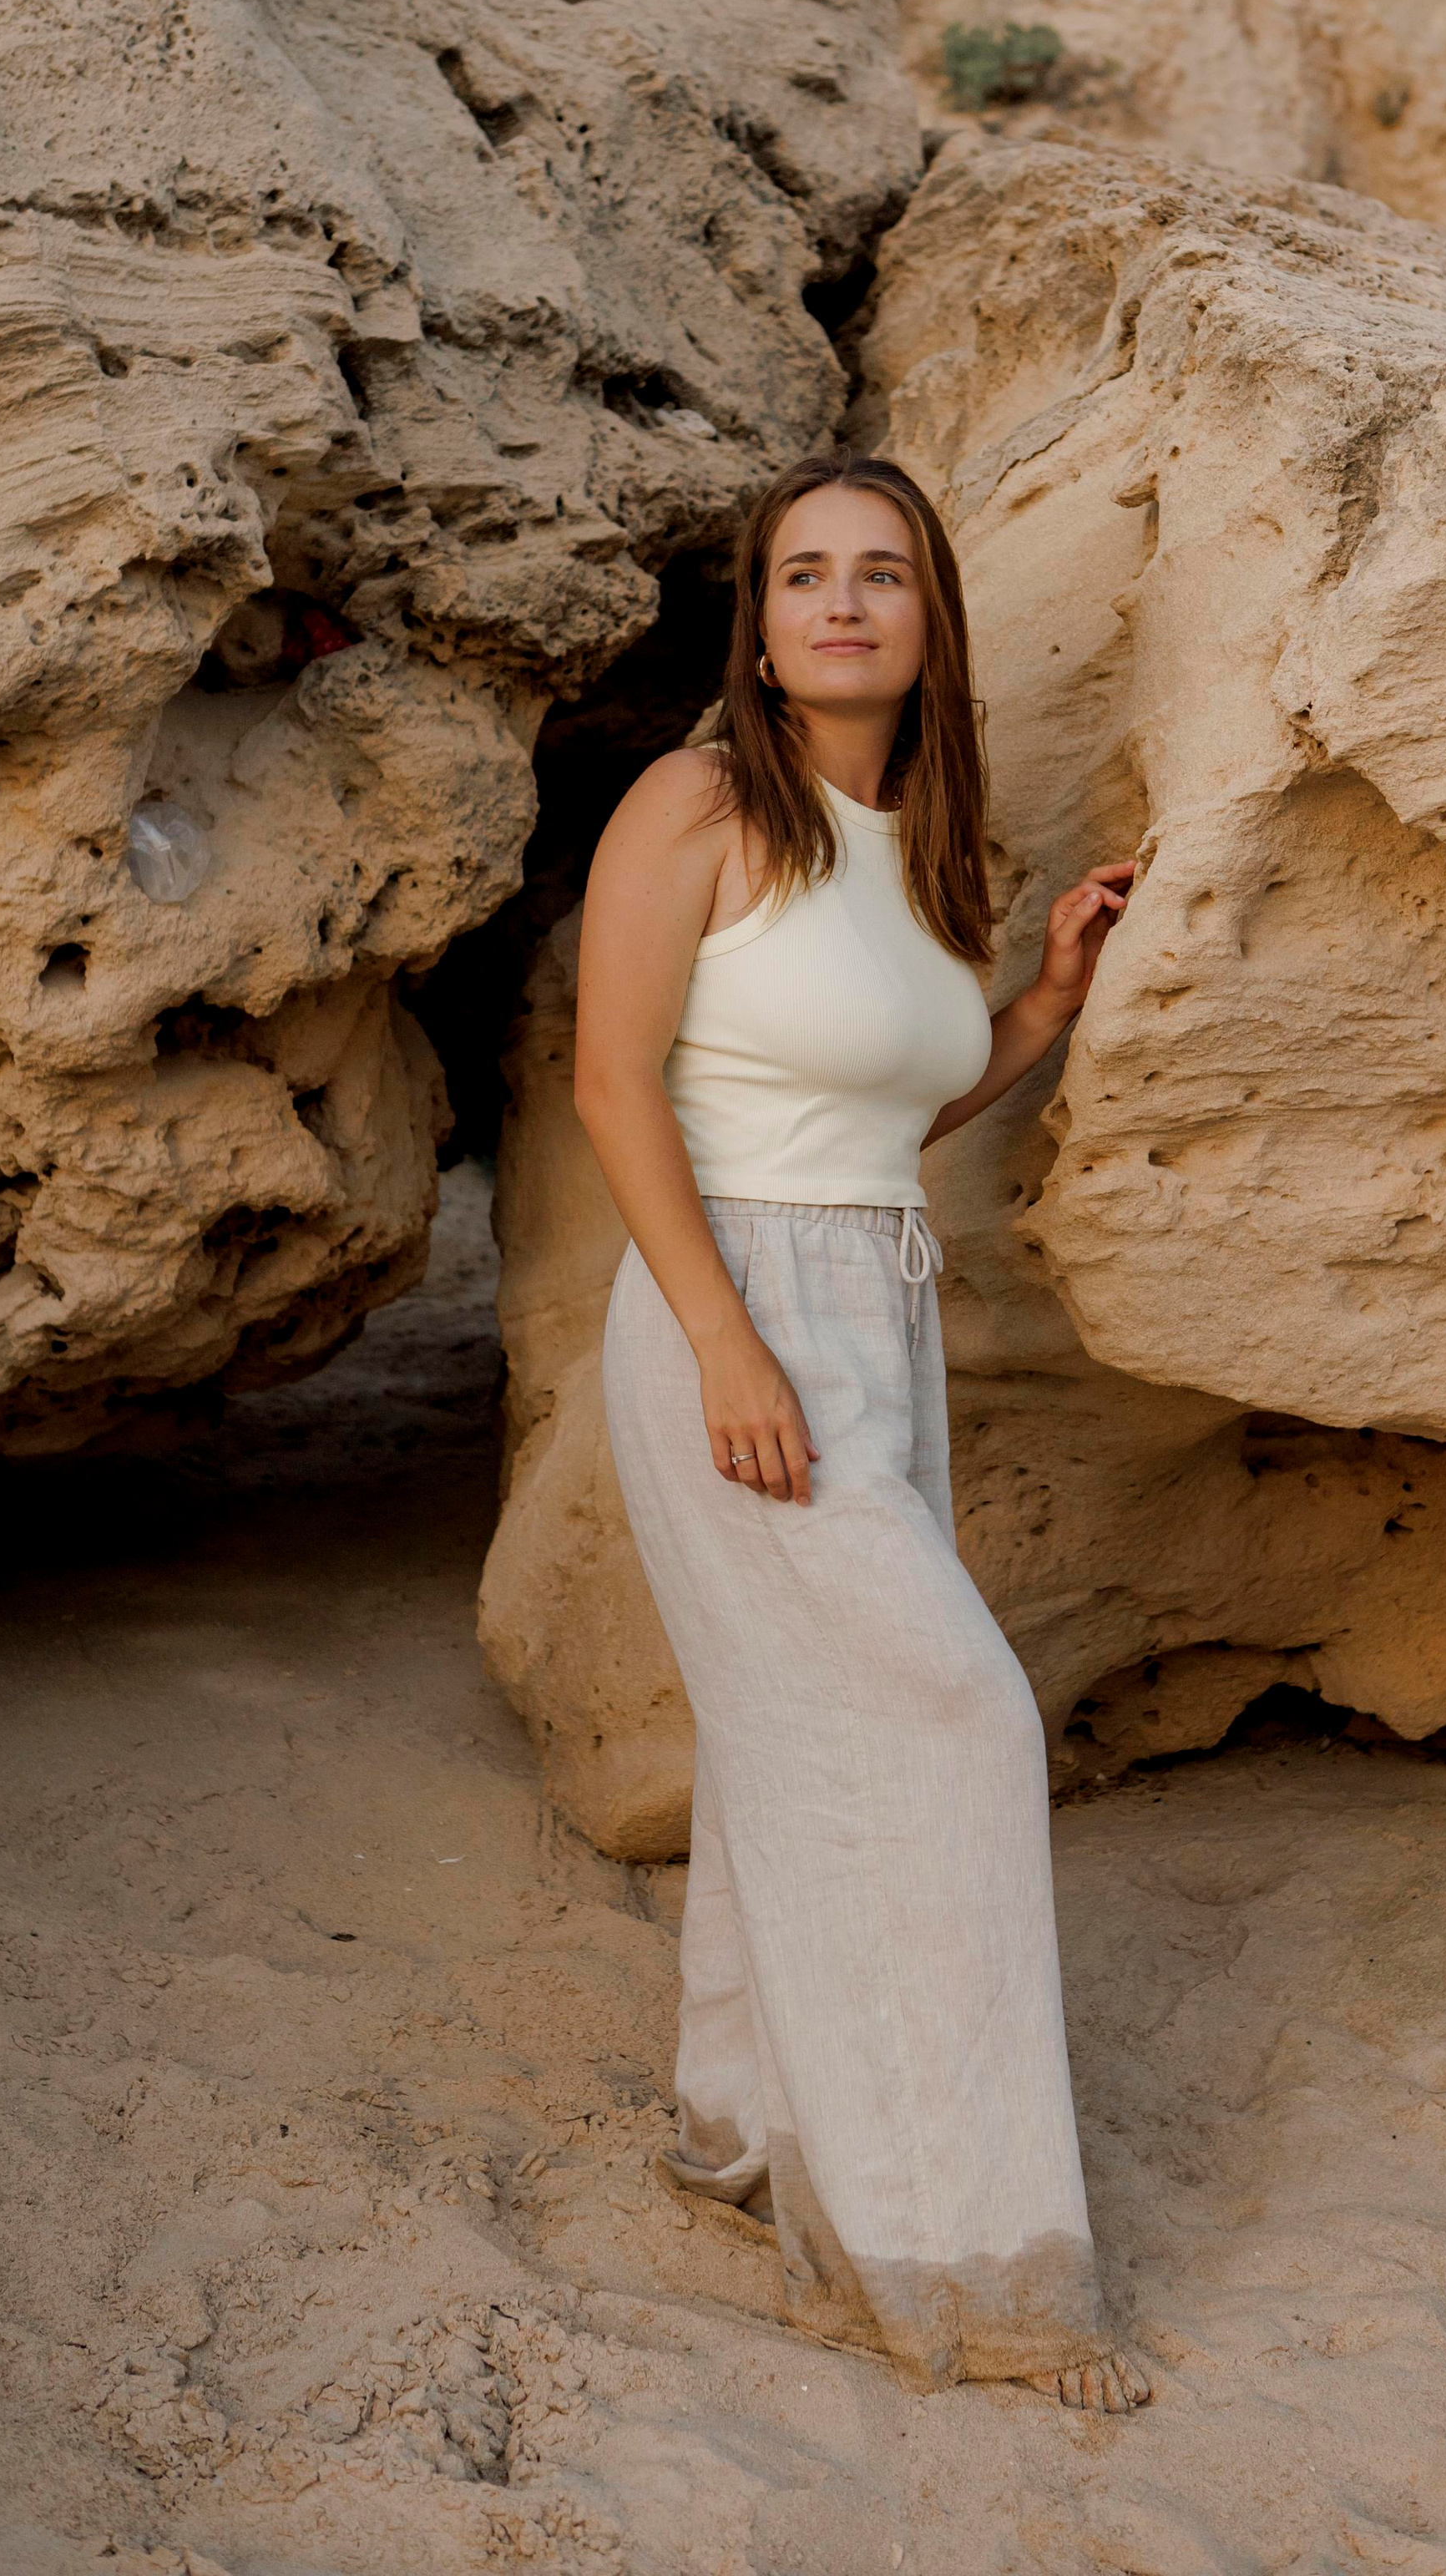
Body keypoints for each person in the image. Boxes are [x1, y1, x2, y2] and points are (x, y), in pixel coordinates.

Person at [573, 451, 1149, 2412]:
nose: (838, 602)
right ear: (756, 627)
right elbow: (613, 1084)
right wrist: (726, 1345)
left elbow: (880, 1114)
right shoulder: (698, 803)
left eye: (878, 573)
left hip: (873, 1307)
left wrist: (1038, 1004)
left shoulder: (907, 848)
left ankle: (743, 2123)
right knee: (947, 1724)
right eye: (801, 574)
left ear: (927, 620)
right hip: (728, 1304)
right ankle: (961, 2261)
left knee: (797, 1727)